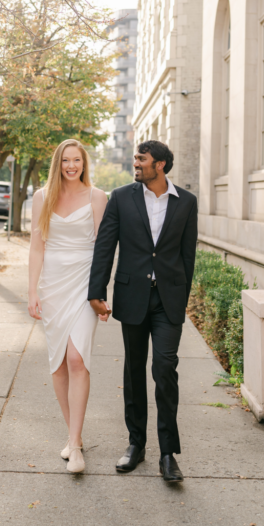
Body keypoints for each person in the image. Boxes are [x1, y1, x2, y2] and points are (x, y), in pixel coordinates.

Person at [87, 140, 198, 482]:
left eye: (142, 159)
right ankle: (136, 445)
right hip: (132, 296)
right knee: (134, 372)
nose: (136, 164)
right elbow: (106, 244)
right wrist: (96, 291)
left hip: (168, 301)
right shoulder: (121, 197)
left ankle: (168, 453)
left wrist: (181, 297)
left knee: (164, 369)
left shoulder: (186, 202)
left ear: (160, 164)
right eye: (135, 158)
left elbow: (187, 255)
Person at [27, 139, 109, 474]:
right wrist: (32, 290)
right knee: (59, 363)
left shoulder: (97, 197)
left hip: (84, 284)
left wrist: (101, 293)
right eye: (65, 161)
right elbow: (36, 247)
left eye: (76, 160)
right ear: (57, 164)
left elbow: (104, 250)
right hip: (53, 287)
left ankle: (75, 447)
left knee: (77, 359)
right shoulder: (41, 197)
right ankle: (73, 434)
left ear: (84, 163)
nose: (71, 166)